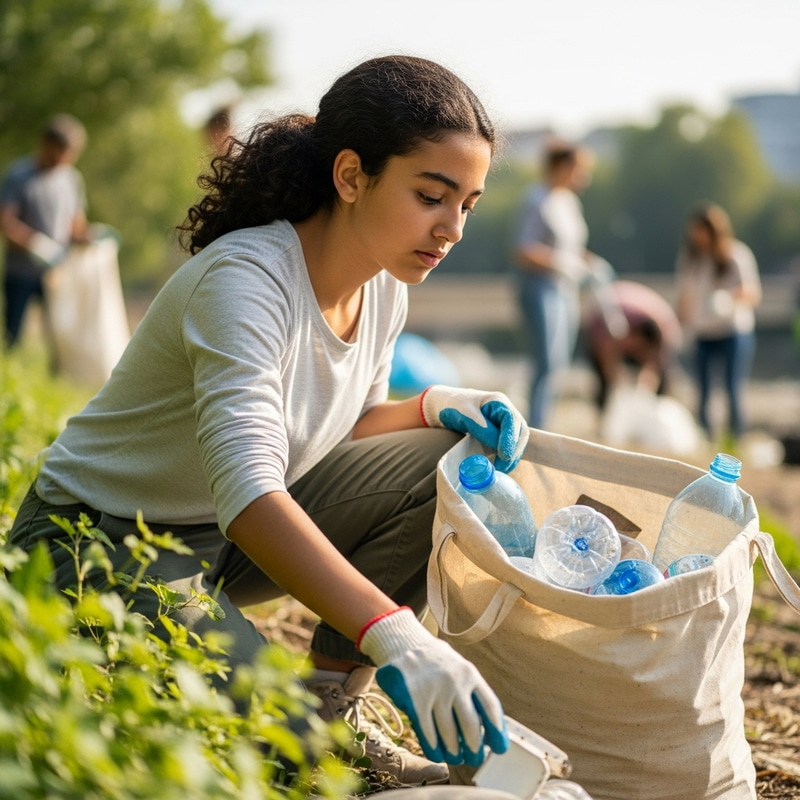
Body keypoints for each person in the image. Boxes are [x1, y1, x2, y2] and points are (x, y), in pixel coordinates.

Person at [9, 56, 525, 784]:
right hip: (99, 539)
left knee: (441, 458)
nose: (453, 228)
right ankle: (300, 724)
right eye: (431, 196)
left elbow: (335, 426)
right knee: (283, 753)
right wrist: (399, 635)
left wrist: (433, 406)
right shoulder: (246, 281)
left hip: (216, 541)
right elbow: (251, 494)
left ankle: (328, 700)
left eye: (467, 204)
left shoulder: (383, 289)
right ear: (351, 177)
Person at [512, 139, 606, 429]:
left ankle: (543, 422)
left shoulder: (569, 202)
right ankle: (533, 427)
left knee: (560, 363)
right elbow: (523, 249)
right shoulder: (536, 198)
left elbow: (572, 248)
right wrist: (561, 263)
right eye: (579, 169)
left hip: (565, 289)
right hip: (539, 288)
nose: (583, 177)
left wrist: (590, 262)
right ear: (562, 166)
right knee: (546, 361)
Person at [1, 114, 89, 353]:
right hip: (20, 271)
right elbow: (6, 222)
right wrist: (36, 245)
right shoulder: (18, 176)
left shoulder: (72, 179)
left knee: (60, 337)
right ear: (45, 144)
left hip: (58, 273)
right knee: (13, 334)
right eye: (58, 152)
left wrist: (91, 238)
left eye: (69, 154)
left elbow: (76, 226)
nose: (62, 159)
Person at [675, 203, 761, 442]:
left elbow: (753, 293)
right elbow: (684, 298)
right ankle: (706, 437)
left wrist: (727, 298)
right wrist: (680, 323)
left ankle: (736, 439)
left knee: (732, 388)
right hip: (703, 334)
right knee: (702, 390)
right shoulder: (690, 260)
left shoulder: (736, 255)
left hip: (733, 332)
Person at [582, 279, 683, 411]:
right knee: (605, 384)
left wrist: (643, 395)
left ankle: (654, 412)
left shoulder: (665, 330)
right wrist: (619, 389)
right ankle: (605, 414)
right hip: (606, 319)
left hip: (652, 322)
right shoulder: (610, 324)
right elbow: (608, 365)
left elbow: (653, 367)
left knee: (662, 380)